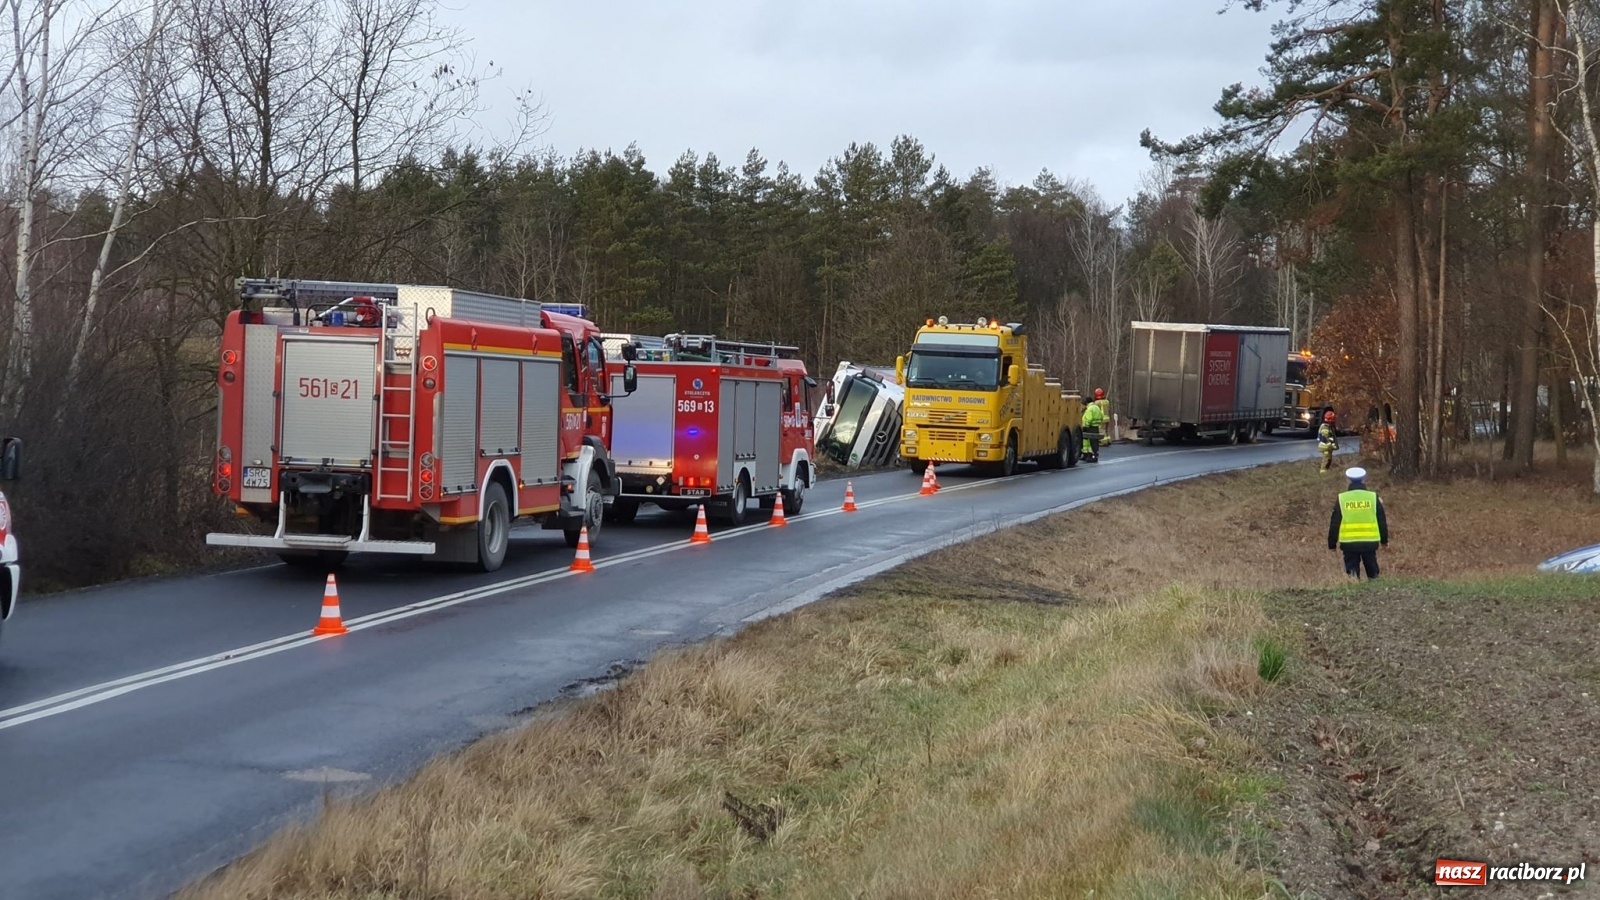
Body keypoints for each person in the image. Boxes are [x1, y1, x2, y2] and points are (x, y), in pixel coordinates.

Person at [1328, 466, 1389, 580]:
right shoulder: (1372, 497)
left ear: (1348, 480)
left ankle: (1354, 588)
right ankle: (1375, 587)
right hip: (1369, 541)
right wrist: (1384, 541)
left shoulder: (1342, 498)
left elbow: (1335, 522)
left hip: (1349, 542)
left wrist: (1332, 544)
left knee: (1352, 574)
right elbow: (1382, 520)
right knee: (1373, 571)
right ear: (1364, 479)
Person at [1082, 389, 1108, 460]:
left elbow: (1088, 419)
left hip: (1090, 427)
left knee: (1091, 442)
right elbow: (1101, 416)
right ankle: (1094, 455)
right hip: (1096, 427)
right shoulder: (1096, 407)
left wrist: (1085, 426)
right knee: (1095, 441)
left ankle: (1092, 456)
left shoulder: (1089, 409)